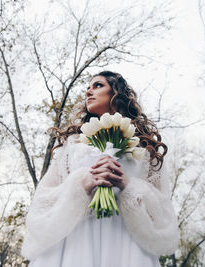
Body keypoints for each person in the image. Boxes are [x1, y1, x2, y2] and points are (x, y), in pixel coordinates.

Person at [21, 71, 179, 267]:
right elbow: (44, 199)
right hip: (75, 241)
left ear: (116, 93)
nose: (88, 92)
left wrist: (128, 185)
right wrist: (81, 184)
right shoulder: (72, 144)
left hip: (126, 245)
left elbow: (161, 209)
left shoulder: (145, 148)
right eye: (87, 88)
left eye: (97, 86)